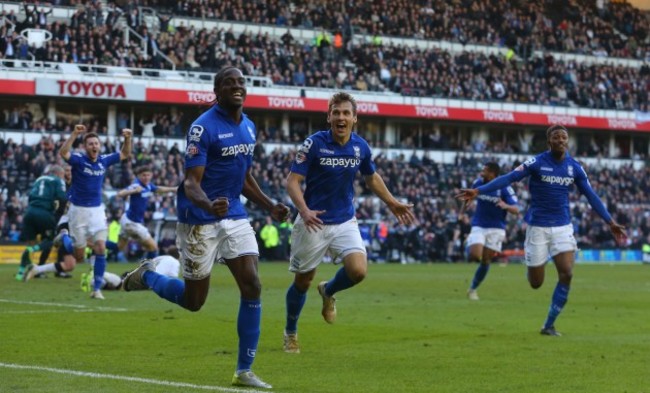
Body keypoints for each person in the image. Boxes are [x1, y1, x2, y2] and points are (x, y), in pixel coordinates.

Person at [121, 66, 290, 389]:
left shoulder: (249, 127)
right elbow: (191, 183)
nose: (237, 87)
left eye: (241, 82)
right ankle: (149, 275)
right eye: (229, 83)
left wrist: (269, 205)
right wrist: (209, 205)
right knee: (194, 301)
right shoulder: (202, 128)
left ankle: (244, 370)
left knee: (252, 284)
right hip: (199, 219)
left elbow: (243, 177)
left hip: (235, 215)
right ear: (217, 90)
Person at [456, 124, 627, 336]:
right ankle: (535, 263)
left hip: (563, 227)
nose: (561, 140)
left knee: (567, 273)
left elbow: (591, 196)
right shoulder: (536, 162)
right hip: (538, 228)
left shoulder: (575, 167)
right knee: (536, 283)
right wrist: (478, 190)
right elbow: (509, 177)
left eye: (564, 137)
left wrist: (609, 221)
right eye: (556, 137)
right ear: (549, 141)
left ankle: (549, 325)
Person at [283, 91, 415, 354]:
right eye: (336, 112)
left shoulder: (360, 147)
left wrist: (391, 202)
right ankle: (291, 332)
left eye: (346, 113)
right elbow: (292, 181)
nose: (341, 117)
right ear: (329, 116)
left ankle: (329, 291)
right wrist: (304, 210)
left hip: (344, 220)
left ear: (355, 118)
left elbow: (372, 177)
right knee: (303, 281)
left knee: (358, 271)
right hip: (314, 221)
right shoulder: (313, 144)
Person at [29, 125, 133, 299]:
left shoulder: (104, 160)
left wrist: (128, 139)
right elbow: (63, 153)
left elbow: (124, 154)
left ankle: (96, 289)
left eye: (96, 143)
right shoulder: (78, 160)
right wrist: (75, 134)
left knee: (100, 247)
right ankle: (63, 238)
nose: (94, 146)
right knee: (78, 256)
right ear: (85, 146)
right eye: (90, 143)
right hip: (78, 212)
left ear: (99, 146)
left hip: (98, 211)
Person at [465, 162, 520, 300]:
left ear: (493, 173)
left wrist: (505, 205)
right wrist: (462, 212)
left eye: (485, 170)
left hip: (496, 228)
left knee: (486, 261)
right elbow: (468, 198)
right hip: (479, 225)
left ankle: (472, 289)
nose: (481, 172)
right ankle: (470, 244)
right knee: (474, 255)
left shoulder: (504, 187)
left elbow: (516, 210)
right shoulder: (478, 183)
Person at [16, 164, 67, 280]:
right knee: (50, 240)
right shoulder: (58, 180)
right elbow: (62, 198)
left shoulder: (39, 179)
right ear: (59, 173)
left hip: (30, 212)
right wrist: (57, 211)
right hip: (44, 212)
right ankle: (32, 252)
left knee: (31, 242)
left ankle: (21, 272)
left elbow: (30, 197)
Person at [116, 165, 178, 259]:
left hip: (128, 219)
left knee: (119, 247)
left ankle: (95, 244)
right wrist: (133, 191)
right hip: (132, 223)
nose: (146, 177)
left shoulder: (148, 185)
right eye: (143, 175)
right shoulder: (136, 185)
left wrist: (173, 189)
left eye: (148, 175)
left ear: (151, 175)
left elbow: (158, 189)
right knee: (153, 248)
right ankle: (149, 272)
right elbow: (120, 194)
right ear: (139, 176)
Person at [81, 247, 182, 292]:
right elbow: (172, 278)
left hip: (140, 272)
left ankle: (93, 281)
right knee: (120, 285)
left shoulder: (162, 257)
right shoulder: (175, 262)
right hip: (148, 279)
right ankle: (97, 273)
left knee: (113, 286)